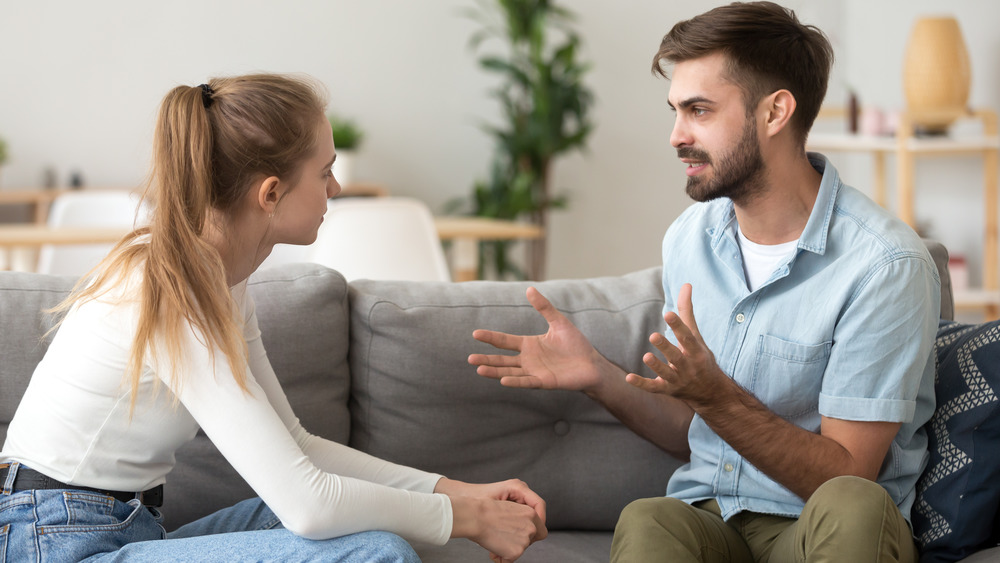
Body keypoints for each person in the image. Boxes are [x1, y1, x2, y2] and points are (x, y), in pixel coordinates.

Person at [0, 73, 546, 563]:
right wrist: (471, 522)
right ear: (271, 193)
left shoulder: (222, 284)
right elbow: (309, 506)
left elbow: (298, 446)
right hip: (57, 544)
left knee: (356, 525)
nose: (334, 188)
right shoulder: (172, 290)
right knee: (375, 551)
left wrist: (459, 492)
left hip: (126, 530)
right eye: (325, 172)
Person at [469, 2, 940, 561]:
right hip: (714, 520)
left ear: (775, 112)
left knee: (852, 504)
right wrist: (598, 374)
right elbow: (696, 426)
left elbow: (846, 473)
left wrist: (715, 393)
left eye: (698, 110)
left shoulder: (884, 266)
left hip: (822, 529)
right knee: (650, 519)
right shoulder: (690, 238)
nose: (675, 136)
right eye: (675, 110)